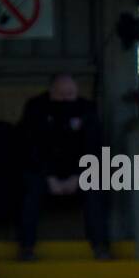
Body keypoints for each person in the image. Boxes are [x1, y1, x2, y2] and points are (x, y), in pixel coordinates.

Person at [16, 73, 109, 260]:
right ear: (51, 92)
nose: (67, 99)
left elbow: (93, 147)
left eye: (71, 94)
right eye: (62, 95)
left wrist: (76, 176)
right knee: (30, 190)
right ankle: (26, 247)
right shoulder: (36, 108)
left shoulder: (87, 109)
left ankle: (100, 247)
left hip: (77, 172)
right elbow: (31, 147)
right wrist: (50, 178)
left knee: (95, 187)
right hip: (43, 172)